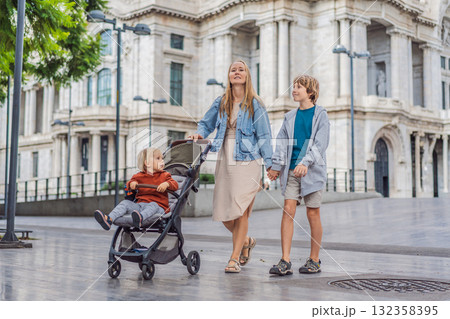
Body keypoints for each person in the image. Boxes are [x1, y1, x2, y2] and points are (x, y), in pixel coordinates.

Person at [188, 60, 273, 273]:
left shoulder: (255, 104)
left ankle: (234, 259)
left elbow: (264, 136)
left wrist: (271, 165)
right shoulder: (222, 101)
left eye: (241, 69)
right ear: (229, 76)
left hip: (248, 159)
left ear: (247, 76)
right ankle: (245, 241)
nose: (237, 72)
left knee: (240, 210)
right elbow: (206, 123)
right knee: (225, 213)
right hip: (226, 157)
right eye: (233, 69)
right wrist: (200, 134)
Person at [267, 74, 330, 275]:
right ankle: (285, 260)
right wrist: (276, 166)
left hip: (313, 171)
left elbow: (321, 144)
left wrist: (305, 162)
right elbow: (281, 143)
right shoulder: (289, 117)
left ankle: (314, 259)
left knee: (313, 213)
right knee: (288, 210)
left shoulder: (321, 115)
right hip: (292, 171)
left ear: (310, 92)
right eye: (293, 86)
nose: (293, 90)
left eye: (298, 87)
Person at [94, 147, 178, 230]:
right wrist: (132, 184)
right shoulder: (138, 176)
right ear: (147, 163)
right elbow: (129, 184)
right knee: (125, 203)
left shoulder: (165, 175)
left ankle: (140, 218)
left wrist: (167, 184)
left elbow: (175, 185)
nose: (162, 161)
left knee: (153, 205)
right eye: (158, 158)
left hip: (159, 207)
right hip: (140, 206)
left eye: (162, 158)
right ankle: (109, 219)